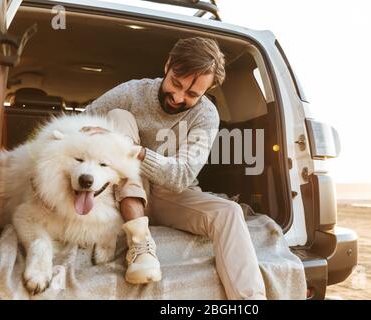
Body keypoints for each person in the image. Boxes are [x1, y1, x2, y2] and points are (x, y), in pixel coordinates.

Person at [84, 37, 266, 300]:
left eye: (192, 94)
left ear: (208, 89)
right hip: (119, 194)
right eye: (176, 84)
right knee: (117, 117)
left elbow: (181, 177)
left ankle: (251, 302)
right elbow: (77, 123)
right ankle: (140, 244)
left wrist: (134, 151)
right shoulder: (132, 92)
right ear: (168, 65)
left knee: (229, 212)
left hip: (172, 195)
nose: (178, 97)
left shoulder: (206, 115)